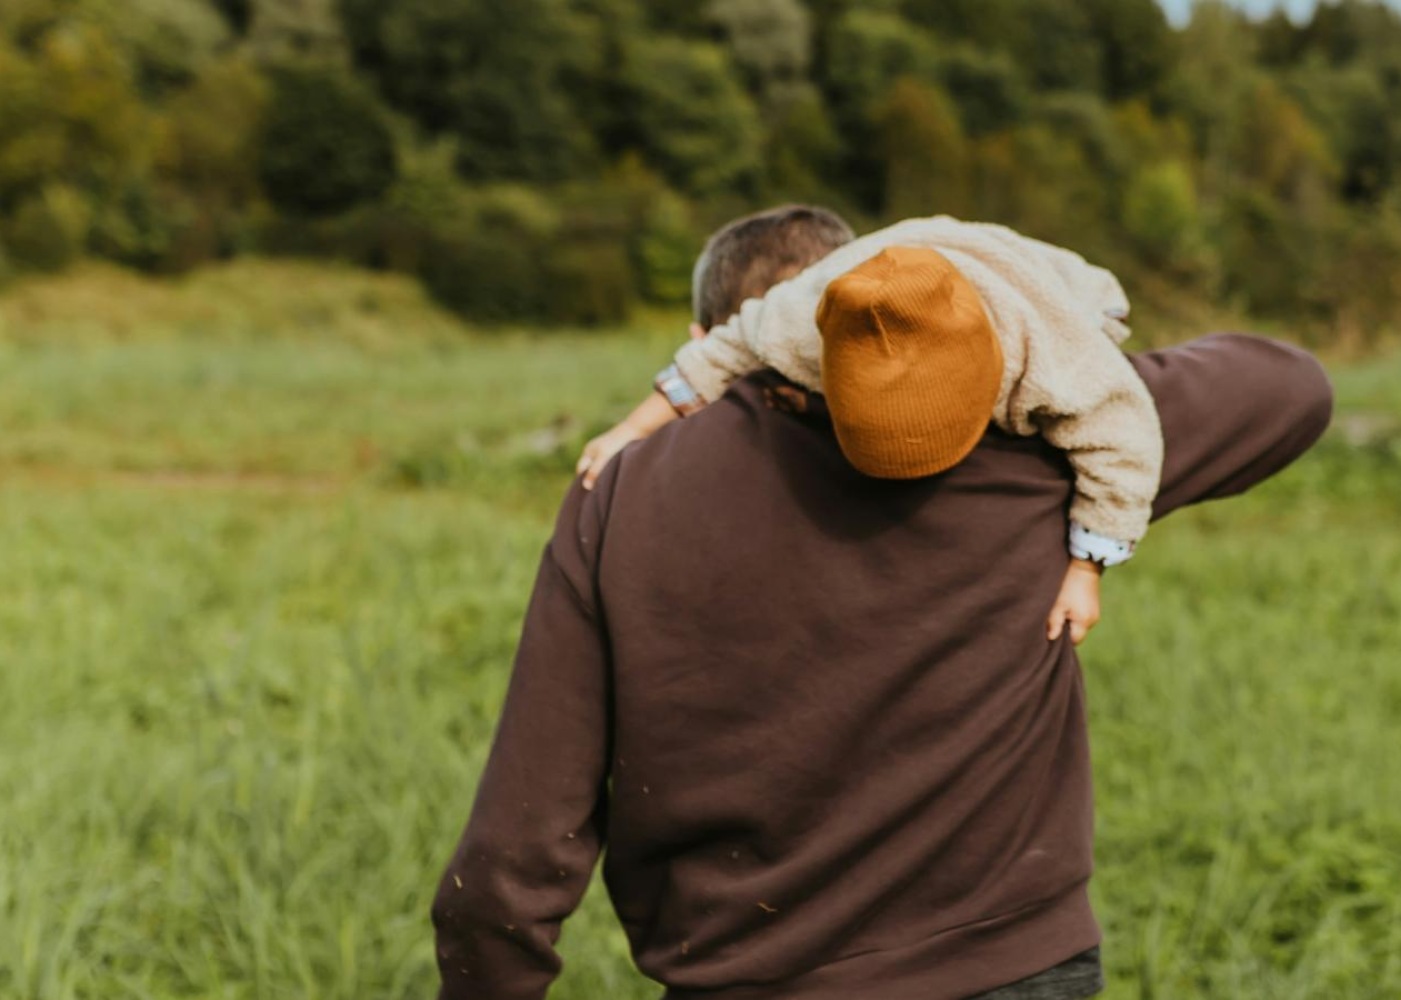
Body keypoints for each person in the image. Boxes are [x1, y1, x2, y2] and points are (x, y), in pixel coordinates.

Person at [431, 205, 1334, 1000]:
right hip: (1008, 973)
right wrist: (1038, 346)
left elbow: (512, 859)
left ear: (705, 333)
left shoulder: (621, 497)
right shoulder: (1032, 449)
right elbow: (1291, 386)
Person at [579, 215, 1163, 646]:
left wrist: (1086, 569)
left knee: (1104, 331)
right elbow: (717, 353)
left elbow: (1125, 440)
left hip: (1034, 276)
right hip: (894, 259)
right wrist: (630, 428)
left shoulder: (1052, 356)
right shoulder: (797, 322)